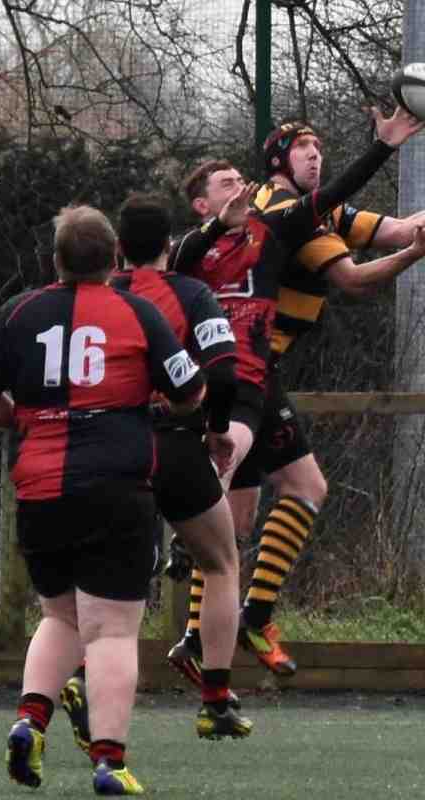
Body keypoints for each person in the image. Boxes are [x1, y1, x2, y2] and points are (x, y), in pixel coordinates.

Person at [165, 107, 425, 683]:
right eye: (304, 147)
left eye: (320, 147)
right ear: (279, 161)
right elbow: (354, 278)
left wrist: (411, 238)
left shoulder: (314, 212)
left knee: (240, 518)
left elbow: (398, 226)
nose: (316, 154)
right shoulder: (281, 213)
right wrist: (384, 148)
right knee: (291, 488)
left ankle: (200, 636)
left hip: (258, 370)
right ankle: (240, 611)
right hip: (242, 370)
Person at [0, 205, 206, 796]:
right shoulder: (138, 311)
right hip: (116, 487)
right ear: (114, 258)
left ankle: (29, 719)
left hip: (40, 488)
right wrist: (157, 408)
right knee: (112, 631)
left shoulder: (19, 311)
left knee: (60, 616)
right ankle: (109, 761)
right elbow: (191, 390)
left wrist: (19, 418)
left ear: (56, 260)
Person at [60, 190, 253, 751]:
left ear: (118, 247)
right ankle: (216, 700)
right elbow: (224, 373)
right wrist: (217, 429)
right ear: (170, 244)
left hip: (104, 449)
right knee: (221, 561)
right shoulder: (192, 293)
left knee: (106, 580)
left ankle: (80, 677)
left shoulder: (87, 297)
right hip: (174, 445)